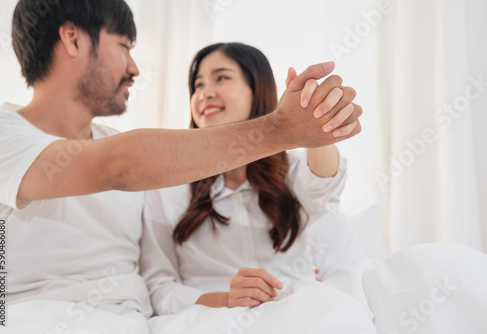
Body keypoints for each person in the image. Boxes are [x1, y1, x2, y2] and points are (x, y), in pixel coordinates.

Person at [0, 0, 363, 331]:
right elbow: (120, 166)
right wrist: (281, 128)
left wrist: (316, 127)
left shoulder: (134, 155)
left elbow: (321, 193)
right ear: (73, 40)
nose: (135, 68)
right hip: (30, 316)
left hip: (131, 322)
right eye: (124, 47)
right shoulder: (0, 135)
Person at [140, 42, 365, 315]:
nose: (205, 93)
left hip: (294, 315)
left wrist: (316, 126)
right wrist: (225, 299)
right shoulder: (166, 187)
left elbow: (324, 190)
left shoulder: (293, 172)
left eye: (221, 78)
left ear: (257, 89)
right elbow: (159, 289)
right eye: (197, 86)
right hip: (209, 321)